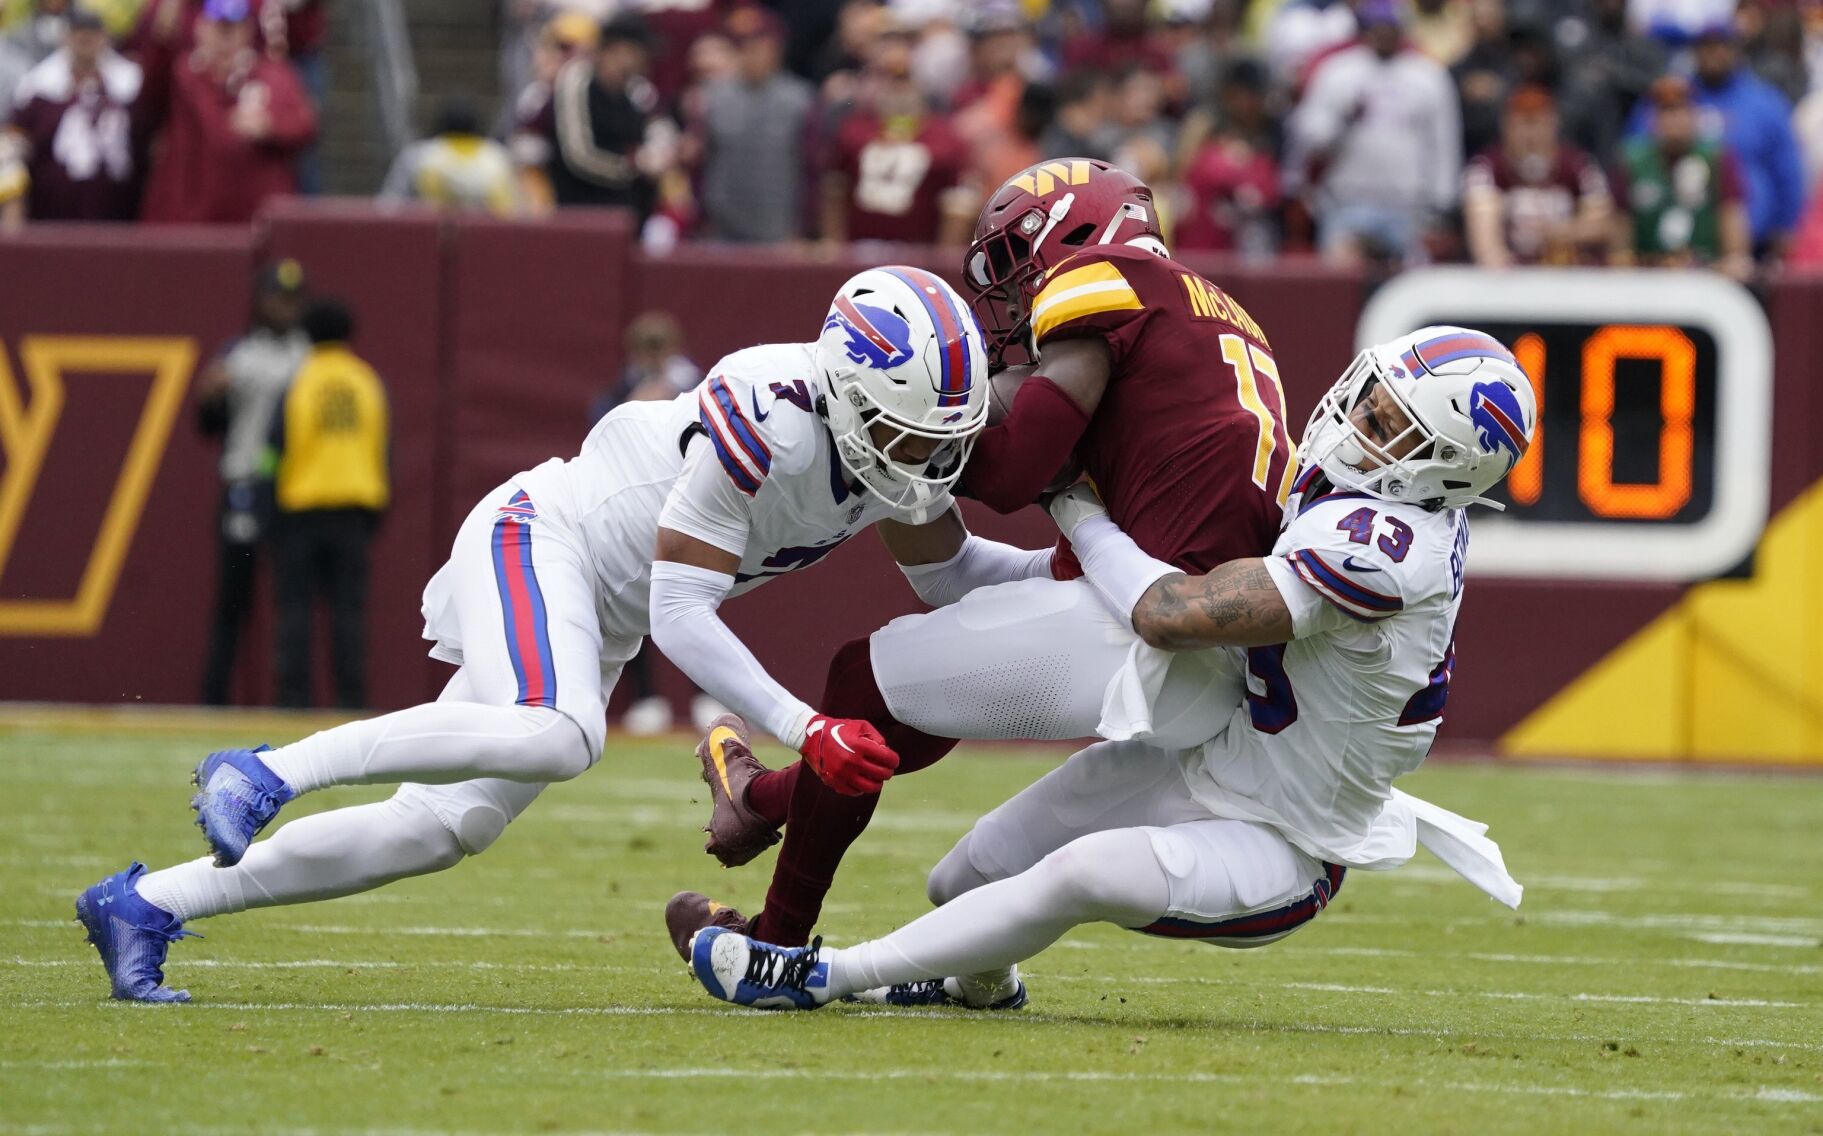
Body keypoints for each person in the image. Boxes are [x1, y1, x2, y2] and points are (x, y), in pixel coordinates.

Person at [72, 267, 1023, 1003]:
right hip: (545, 535)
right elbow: (680, 613)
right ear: (851, 391)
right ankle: (268, 771)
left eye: (938, 433)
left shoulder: (895, 454)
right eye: (906, 430)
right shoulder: (769, 409)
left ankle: (148, 904)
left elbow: (956, 571)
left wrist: (1083, 577)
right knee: (563, 733)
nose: (928, 455)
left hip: (594, 606)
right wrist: (802, 726)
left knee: (439, 827)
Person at [686, 327, 1534, 1012]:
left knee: (1082, 874)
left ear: (1445, 473)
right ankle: (981, 984)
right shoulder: (1352, 492)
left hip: (1288, 841)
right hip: (1209, 763)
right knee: (963, 879)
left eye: (1388, 429)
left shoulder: (1387, 548)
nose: (1355, 423)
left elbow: (1168, 615)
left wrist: (1076, 505)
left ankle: (814, 974)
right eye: (1370, 400)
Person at [665, 159, 1298, 953]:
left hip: (1148, 625)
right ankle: (760, 799)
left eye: (1012, 265)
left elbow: (1010, 473)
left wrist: (891, 417)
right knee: (927, 664)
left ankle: (778, 940)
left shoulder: (1106, 277)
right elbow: (952, 574)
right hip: (1197, 630)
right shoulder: (1218, 313)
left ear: (1071, 234)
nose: (1008, 296)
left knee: (863, 678)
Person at [195, 258, 309, 706]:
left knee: (292, 601)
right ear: (260, 302)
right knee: (232, 600)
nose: (283, 308)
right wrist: (210, 395)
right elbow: (206, 423)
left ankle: (291, 704)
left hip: (294, 490)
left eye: (291, 300)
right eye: (275, 299)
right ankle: (214, 699)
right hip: (243, 484)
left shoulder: (310, 355)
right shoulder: (237, 353)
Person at [269, 298, 390, 710]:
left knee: (295, 611)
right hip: (354, 509)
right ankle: (351, 701)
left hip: (301, 508)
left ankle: (293, 700)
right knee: (348, 613)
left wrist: (269, 501)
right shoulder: (366, 381)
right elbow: (382, 447)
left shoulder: (299, 380)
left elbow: (275, 447)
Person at [1287, 0, 1461, 266]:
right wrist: (1344, 119)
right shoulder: (1339, 71)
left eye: (1390, 27)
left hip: (1408, 209)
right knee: (1340, 290)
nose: (1383, 34)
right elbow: (1309, 139)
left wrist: (1440, 205)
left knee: (1406, 291)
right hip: (1348, 204)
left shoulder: (1427, 75)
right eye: (1377, 27)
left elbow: (1443, 143)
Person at [1625, 22, 1802, 257]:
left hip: (1752, 244)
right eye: (1706, 46)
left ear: (1736, 50)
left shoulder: (1765, 102)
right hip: (1665, 242)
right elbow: (1632, 158)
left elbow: (1788, 171)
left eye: (1721, 45)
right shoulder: (1672, 96)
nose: (1714, 53)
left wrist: (1785, 228)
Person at [136, 0, 316, 224]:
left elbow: (305, 123)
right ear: (200, 29)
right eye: (217, 28)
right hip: (190, 221)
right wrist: (162, 36)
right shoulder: (183, 74)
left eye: (233, 29)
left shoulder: (272, 75)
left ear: (248, 32)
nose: (225, 38)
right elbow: (148, 95)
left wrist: (270, 125)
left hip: (254, 220)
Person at [821, 19, 971, 246]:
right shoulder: (853, 130)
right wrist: (833, 246)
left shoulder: (945, 138)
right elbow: (834, 193)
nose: (898, 90)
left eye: (905, 80)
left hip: (920, 252)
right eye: (890, 80)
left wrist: (944, 260)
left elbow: (957, 206)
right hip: (859, 249)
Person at [512, 11, 661, 219]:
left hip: (625, 212)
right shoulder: (576, 81)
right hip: (580, 210)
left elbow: (649, 131)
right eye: (639, 52)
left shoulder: (632, 91)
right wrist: (633, 166)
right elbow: (578, 154)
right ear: (616, 50)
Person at [0, 7, 143, 222]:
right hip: (52, 214)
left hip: (119, 212)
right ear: (66, 38)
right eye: (78, 34)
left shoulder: (129, 84)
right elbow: (16, 138)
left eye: (91, 34)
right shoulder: (40, 87)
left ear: (105, 37)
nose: (85, 40)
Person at [1611, 74, 1754, 280]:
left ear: (1694, 114)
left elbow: (1733, 222)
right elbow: (1620, 233)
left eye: (1680, 111)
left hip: (1707, 274)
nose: (1673, 121)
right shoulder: (1632, 163)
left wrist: (1733, 261)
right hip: (1648, 277)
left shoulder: (1717, 159)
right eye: (1666, 112)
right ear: (1653, 119)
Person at [694, 6, 814, 243]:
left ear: (776, 51)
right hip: (723, 223)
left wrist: (804, 225)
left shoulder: (799, 100)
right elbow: (701, 162)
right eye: (744, 47)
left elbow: (810, 167)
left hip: (777, 224)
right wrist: (701, 216)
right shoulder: (714, 97)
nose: (752, 55)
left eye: (760, 47)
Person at [1461, 86, 1611, 267]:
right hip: (1511, 273)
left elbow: (1601, 223)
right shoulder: (1487, 168)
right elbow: (1483, 232)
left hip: (1566, 272)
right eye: (1523, 123)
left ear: (1554, 124)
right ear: (1506, 126)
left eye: (1538, 123)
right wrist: (1495, 260)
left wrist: (1561, 232)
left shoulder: (1579, 165)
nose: (1530, 135)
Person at [378, 95, 521, 215]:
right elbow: (517, 210)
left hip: (429, 234)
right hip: (487, 237)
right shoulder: (496, 157)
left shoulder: (419, 155)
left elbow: (389, 206)